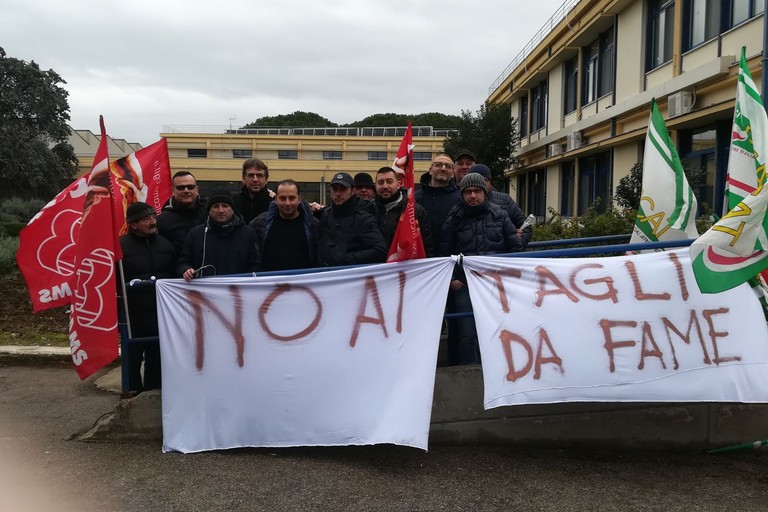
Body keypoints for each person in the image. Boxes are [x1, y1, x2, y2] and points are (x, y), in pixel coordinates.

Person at [440, 173, 523, 365]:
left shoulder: (500, 214)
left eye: (477, 191)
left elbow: (515, 248)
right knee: (467, 334)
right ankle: (471, 376)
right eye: (468, 192)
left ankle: (498, 370)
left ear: (484, 192)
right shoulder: (454, 216)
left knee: (498, 330)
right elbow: (444, 251)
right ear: (462, 194)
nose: (472, 196)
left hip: (495, 285)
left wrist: (508, 278)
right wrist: (454, 281)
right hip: (465, 285)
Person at [118, 202, 176, 393]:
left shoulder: (166, 244)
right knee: (132, 359)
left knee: (156, 360)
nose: (153, 222)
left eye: (153, 217)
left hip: (160, 315)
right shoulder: (120, 248)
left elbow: (174, 274)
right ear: (133, 224)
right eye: (146, 219)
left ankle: (152, 397)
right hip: (132, 317)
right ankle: (130, 399)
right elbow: (114, 282)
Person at [177, 189, 260, 280]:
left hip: (237, 290)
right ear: (209, 210)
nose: (220, 210)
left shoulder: (248, 234)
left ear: (232, 209)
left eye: (225, 206)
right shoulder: (195, 234)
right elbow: (182, 262)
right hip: (204, 291)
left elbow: (256, 265)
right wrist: (186, 270)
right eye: (215, 206)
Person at [317, 172, 387, 266]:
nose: (338, 194)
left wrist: (345, 259)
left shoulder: (364, 218)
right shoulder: (326, 214)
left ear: (353, 191)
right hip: (325, 274)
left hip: (350, 276)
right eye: (335, 189)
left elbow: (380, 250)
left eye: (343, 189)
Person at [250, 179, 320, 271]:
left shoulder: (313, 225)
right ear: (276, 200)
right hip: (270, 282)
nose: (287, 203)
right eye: (282, 198)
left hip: (302, 282)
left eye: (291, 198)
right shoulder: (260, 223)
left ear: (299, 199)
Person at [373, 166, 434, 257]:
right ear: (375, 186)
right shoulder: (368, 209)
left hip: (405, 267)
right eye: (380, 182)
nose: (385, 186)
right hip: (375, 267)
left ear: (399, 184)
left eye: (389, 182)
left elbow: (427, 245)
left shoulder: (415, 211)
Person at [470, 163, 533, 248]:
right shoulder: (462, 204)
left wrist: (517, 244)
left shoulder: (505, 200)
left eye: (484, 179)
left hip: (502, 258)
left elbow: (526, 227)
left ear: (490, 181)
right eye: (476, 180)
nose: (481, 183)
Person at [156, 171, 207, 256]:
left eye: (190, 187)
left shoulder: (210, 211)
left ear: (196, 189)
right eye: (181, 187)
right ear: (173, 190)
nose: (186, 191)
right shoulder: (163, 220)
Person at [415, 154, 462, 241]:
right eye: (438, 165)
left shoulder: (461, 199)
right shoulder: (414, 198)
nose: (443, 168)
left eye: (448, 166)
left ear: (453, 173)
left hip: (450, 253)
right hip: (421, 252)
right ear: (430, 170)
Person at [232, 158, 273, 224]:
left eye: (259, 176)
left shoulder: (274, 203)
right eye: (251, 175)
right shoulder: (233, 202)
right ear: (243, 178)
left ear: (266, 179)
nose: (255, 180)